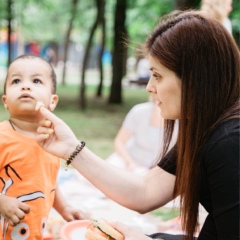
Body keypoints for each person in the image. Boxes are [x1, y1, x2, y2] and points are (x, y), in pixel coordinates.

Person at [36, 10, 239, 240]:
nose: (149, 87)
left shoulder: (229, 143)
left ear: (195, 78)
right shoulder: (208, 130)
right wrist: (71, 149)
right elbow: (146, 191)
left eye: (158, 75)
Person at [0, 54, 85, 239]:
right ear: (5, 101)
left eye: (36, 80)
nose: (25, 85)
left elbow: (49, 181)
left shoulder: (52, 141)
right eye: (16, 81)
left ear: (52, 101)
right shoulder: (2, 137)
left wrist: (65, 208)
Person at [106, 95, 177, 175]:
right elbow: (119, 142)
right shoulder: (139, 111)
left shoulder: (179, 121)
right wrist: (130, 164)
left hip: (157, 169)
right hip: (128, 161)